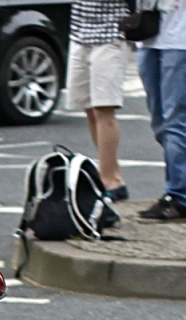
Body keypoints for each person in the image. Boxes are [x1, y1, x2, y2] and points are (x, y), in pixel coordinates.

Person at [136, 0, 186, 221]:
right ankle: (175, 191)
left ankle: (181, 197)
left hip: (180, 38)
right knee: (160, 122)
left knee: (176, 119)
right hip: (147, 34)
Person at [67, 0, 132, 202]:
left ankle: (108, 180)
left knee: (104, 108)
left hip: (111, 33)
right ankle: (115, 176)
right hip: (80, 33)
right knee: (89, 108)